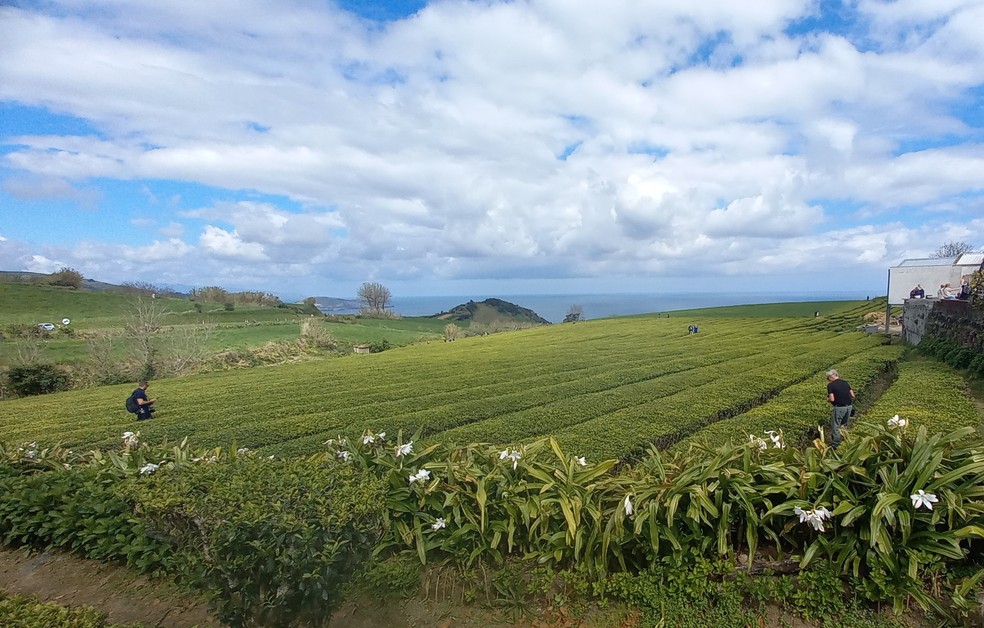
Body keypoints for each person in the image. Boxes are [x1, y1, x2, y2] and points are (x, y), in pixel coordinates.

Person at [825, 370, 855, 449]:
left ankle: (835, 444)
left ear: (831, 377)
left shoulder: (830, 385)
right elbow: (852, 395)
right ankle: (844, 440)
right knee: (844, 424)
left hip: (839, 408)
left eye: (828, 378)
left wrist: (827, 400)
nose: (828, 380)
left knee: (836, 426)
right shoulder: (845, 382)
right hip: (849, 407)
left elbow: (832, 399)